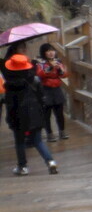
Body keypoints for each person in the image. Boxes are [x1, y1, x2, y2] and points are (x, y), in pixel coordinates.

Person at [2, 42, 58, 175]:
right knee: (38, 140)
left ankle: (23, 167)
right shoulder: (34, 79)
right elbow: (41, 96)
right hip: (35, 112)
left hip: (17, 115)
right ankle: (50, 162)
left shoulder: (9, 85)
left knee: (19, 141)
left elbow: (8, 101)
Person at [36, 42, 68, 141]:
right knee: (47, 114)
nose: (51, 53)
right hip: (45, 89)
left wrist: (59, 70)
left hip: (57, 89)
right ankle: (49, 134)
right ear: (44, 53)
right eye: (48, 51)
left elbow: (65, 74)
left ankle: (62, 132)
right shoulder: (40, 63)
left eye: (52, 50)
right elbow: (39, 74)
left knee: (59, 113)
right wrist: (50, 68)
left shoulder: (58, 62)